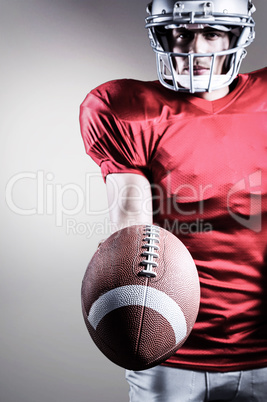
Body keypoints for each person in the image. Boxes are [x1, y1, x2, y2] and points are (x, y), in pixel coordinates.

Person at [79, 0, 267, 400]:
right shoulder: (126, 108)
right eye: (180, 32)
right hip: (171, 346)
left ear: (239, 34)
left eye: (212, 32)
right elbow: (133, 225)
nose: (195, 48)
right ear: (160, 34)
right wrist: (141, 319)